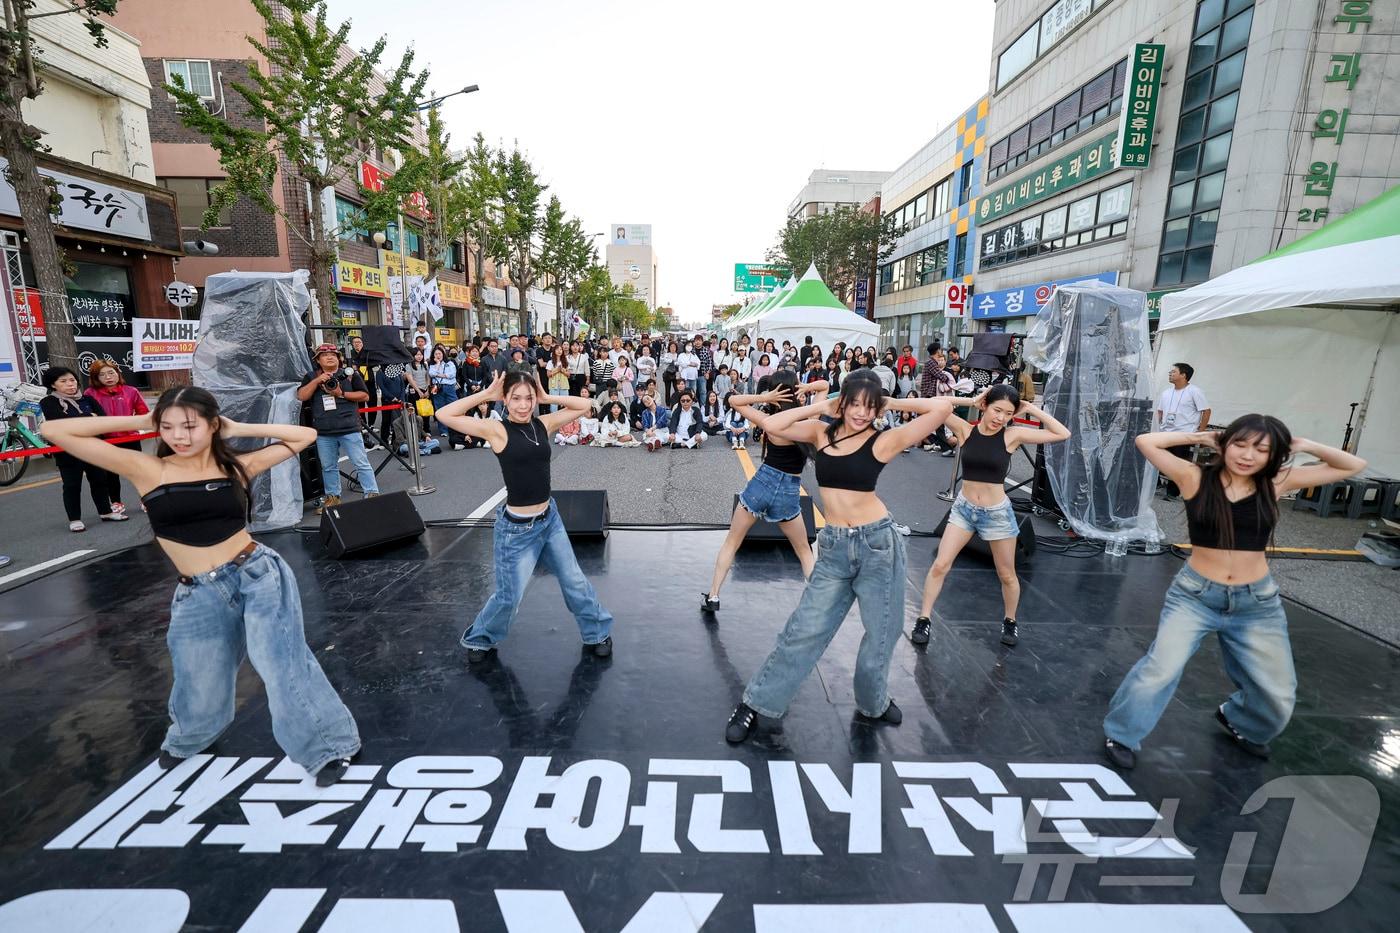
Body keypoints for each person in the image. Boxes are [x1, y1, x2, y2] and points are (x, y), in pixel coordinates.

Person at [40, 385, 361, 785]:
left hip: (257, 575)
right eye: (169, 427)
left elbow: (304, 436)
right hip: (197, 590)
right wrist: (143, 420)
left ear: (212, 426)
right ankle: (191, 737)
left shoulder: (235, 468)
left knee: (282, 664)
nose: (178, 436)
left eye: (190, 426)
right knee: (197, 672)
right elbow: (54, 430)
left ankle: (327, 747)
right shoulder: (147, 470)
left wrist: (235, 426)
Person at [1102, 416, 1365, 770]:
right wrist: (1204, 437)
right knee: (1160, 670)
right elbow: (1146, 442)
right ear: (1225, 444)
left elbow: (1353, 466)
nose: (1247, 455)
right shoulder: (1193, 477)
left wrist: (1305, 446)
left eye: (1261, 449)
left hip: (1256, 602)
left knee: (1278, 691)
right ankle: (1121, 734)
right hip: (1195, 597)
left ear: (1273, 456)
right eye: (1240, 444)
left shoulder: (1277, 482)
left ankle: (1238, 720)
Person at [724, 371, 954, 743]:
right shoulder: (820, 432)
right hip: (833, 546)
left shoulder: (884, 440)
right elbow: (772, 422)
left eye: (869, 406)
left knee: (883, 632)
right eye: (855, 404)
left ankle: (873, 702)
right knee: (804, 629)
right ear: (842, 401)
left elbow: (941, 407)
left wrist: (888, 402)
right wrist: (825, 405)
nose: (862, 413)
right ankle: (756, 703)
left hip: (878, 544)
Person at [435, 371, 615, 662]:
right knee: (509, 597)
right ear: (505, 399)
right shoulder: (497, 430)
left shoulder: (543, 424)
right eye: (516, 398)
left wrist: (546, 397)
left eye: (528, 398)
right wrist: (485, 395)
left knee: (575, 582)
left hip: (550, 521)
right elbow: (444, 413)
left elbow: (585, 405)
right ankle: (480, 638)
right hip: (515, 531)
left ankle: (596, 632)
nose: (523, 405)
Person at [911, 386, 1070, 648]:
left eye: (1008, 413)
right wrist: (969, 400)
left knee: (1006, 574)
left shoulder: (1012, 436)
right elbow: (934, 403)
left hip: (996, 513)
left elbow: (1062, 433)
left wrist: (1030, 409)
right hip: (964, 510)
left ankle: (1010, 621)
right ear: (985, 405)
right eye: (997, 410)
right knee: (940, 565)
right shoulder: (965, 430)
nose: (1001, 418)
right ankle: (924, 619)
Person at [702, 375, 829, 613]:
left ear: (776, 394)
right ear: (795, 392)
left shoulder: (770, 421)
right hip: (789, 492)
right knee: (803, 550)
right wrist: (807, 388)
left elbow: (735, 401)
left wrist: (764, 397)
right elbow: (825, 386)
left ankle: (714, 596)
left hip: (761, 485)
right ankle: (817, 603)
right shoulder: (810, 421)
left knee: (732, 541)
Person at [40, 367, 128, 532]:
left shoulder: (87, 399)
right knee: (72, 485)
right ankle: (74, 519)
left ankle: (106, 512)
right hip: (68, 450)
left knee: (100, 480)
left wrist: (79, 422)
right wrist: (88, 419)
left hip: (94, 446)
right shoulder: (48, 402)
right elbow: (60, 422)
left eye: (72, 380)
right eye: (63, 381)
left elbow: (102, 420)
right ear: (53, 385)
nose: (70, 384)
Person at [297, 344, 379, 513]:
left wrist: (341, 394)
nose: (329, 357)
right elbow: (301, 396)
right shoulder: (311, 376)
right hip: (324, 431)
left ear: (339, 358)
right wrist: (317, 381)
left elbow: (365, 395)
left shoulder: (349, 374)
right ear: (318, 360)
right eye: (324, 355)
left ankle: (372, 495)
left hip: (349, 428)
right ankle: (332, 498)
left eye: (333, 354)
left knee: (361, 463)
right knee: (328, 467)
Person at [83, 360, 150, 512]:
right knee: (110, 474)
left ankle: (146, 500)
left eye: (111, 372)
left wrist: (136, 427)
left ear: (118, 374)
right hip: (105, 440)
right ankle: (116, 502)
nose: (108, 377)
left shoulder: (131, 391)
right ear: (95, 378)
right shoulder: (89, 394)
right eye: (102, 374)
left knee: (138, 472)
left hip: (130, 438)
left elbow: (143, 413)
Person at [1157, 362, 1212, 500]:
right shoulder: (1166, 393)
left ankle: (1173, 492)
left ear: (1183, 375)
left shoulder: (1194, 391)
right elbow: (1160, 411)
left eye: (1173, 372)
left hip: (1183, 433)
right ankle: (1156, 485)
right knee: (1157, 459)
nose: (1170, 374)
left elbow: (1206, 411)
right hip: (1165, 433)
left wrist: (1200, 431)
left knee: (1177, 463)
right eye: (1170, 372)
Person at [429, 346, 460, 444]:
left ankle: (455, 427)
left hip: (449, 387)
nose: (438, 355)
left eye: (440, 353)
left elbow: (452, 375)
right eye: (436, 354)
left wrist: (439, 374)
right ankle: (443, 430)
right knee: (439, 408)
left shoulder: (450, 363)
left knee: (454, 406)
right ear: (433, 355)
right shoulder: (432, 364)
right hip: (436, 387)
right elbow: (431, 373)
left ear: (443, 353)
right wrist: (438, 364)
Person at [546, 345, 571, 412]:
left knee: (565, 403)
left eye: (560, 349)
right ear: (554, 351)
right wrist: (557, 370)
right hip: (553, 385)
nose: (559, 351)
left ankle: (565, 420)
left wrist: (562, 370)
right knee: (554, 404)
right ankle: (554, 420)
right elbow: (548, 375)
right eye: (557, 349)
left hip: (564, 385)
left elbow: (569, 375)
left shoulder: (565, 362)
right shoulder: (550, 362)